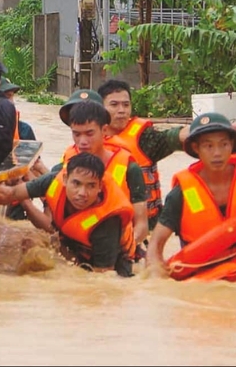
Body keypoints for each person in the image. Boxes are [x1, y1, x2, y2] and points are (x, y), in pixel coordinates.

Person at [0, 152, 137, 277]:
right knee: (30, 246)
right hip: (74, 247)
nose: (82, 193)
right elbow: (11, 194)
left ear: (100, 187)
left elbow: (102, 278)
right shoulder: (52, 180)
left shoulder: (107, 223)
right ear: (66, 179)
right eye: (76, 183)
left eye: (91, 186)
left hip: (114, 266)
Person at [146, 112, 236, 279]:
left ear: (231, 145)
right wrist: (154, 275)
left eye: (224, 144)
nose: (217, 153)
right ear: (196, 148)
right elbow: (155, 244)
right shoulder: (181, 194)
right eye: (209, 146)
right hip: (204, 283)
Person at [98, 79, 190, 230]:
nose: (122, 110)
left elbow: (173, 137)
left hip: (146, 223)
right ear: (100, 107)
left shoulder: (144, 138)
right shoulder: (90, 137)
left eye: (126, 105)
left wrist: (212, 130)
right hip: (107, 223)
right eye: (114, 105)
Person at [56, 99, 149, 247]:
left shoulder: (130, 168)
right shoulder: (68, 162)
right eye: (77, 134)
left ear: (104, 130)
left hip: (115, 247)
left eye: (89, 133)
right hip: (74, 241)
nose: (82, 142)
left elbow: (142, 226)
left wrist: (122, 249)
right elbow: (50, 200)